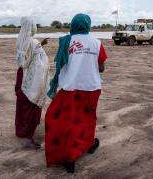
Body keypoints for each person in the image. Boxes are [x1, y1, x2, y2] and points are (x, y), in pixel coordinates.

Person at [45, 13, 108, 173]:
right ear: (88, 25)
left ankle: (70, 156)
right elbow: (101, 68)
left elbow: (61, 62)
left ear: (73, 25)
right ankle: (86, 145)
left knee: (66, 120)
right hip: (91, 88)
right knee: (87, 119)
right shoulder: (97, 43)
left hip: (70, 87)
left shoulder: (66, 41)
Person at [15, 17, 49, 149]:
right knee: (32, 105)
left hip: (22, 77)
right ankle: (28, 138)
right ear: (31, 27)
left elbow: (25, 58)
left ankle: (21, 131)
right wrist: (40, 45)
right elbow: (30, 60)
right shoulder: (33, 42)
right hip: (32, 80)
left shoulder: (22, 40)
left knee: (23, 106)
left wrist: (41, 44)